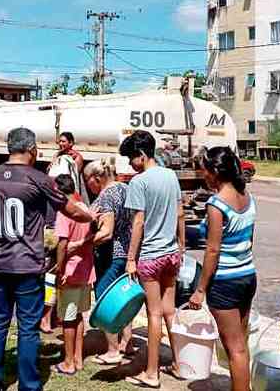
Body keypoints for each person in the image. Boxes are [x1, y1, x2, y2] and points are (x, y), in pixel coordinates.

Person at [0, 127, 95, 391]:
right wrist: (92, 217)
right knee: (28, 328)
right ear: (32, 150)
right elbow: (71, 209)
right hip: (27, 265)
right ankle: (29, 385)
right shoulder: (39, 179)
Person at [188, 146, 257, 391]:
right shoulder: (247, 197)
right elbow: (249, 240)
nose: (202, 174)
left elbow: (212, 251)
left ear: (215, 172)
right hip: (247, 275)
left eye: (204, 169)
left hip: (224, 282)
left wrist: (200, 289)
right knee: (241, 343)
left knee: (234, 348)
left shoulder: (216, 204)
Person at [120, 130, 186, 388]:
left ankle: (151, 373)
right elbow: (180, 213)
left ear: (142, 155)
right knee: (170, 312)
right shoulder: (171, 176)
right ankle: (180, 364)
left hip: (150, 256)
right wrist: (181, 245)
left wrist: (130, 258)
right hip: (171, 255)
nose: (130, 164)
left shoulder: (139, 182)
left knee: (154, 314)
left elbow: (138, 222)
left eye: (131, 159)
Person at [83, 157, 134, 365]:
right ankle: (127, 342)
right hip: (127, 252)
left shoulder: (106, 196)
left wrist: (84, 242)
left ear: (97, 178)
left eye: (88, 180)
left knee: (107, 302)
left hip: (110, 255)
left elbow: (106, 232)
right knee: (124, 300)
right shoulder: (124, 188)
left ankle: (113, 350)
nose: (88, 185)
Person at [52, 174, 95, 376]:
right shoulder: (85, 208)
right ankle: (78, 357)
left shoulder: (64, 212)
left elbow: (62, 244)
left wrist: (58, 269)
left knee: (67, 319)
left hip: (69, 272)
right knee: (78, 315)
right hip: (86, 271)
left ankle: (68, 362)